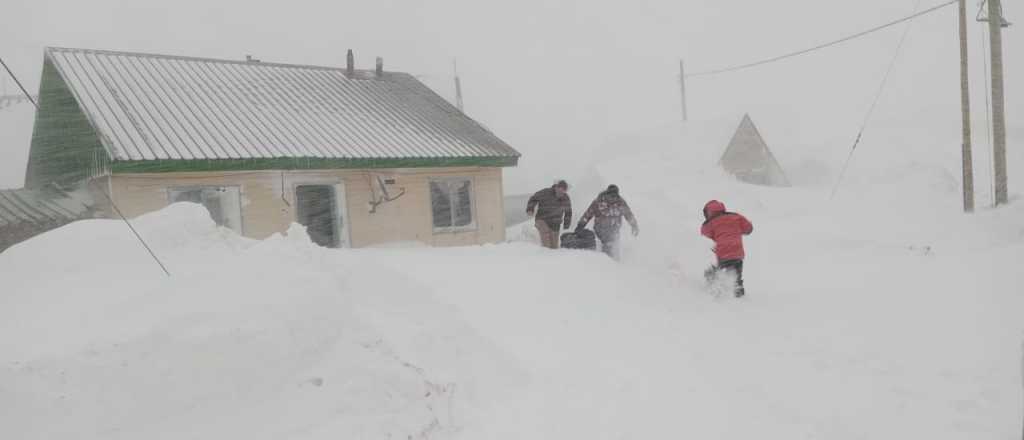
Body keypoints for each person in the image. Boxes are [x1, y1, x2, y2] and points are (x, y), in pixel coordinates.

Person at [700, 200, 753, 297]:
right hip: (738, 253)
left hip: (723, 254)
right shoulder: (735, 216)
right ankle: (739, 296)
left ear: (708, 212)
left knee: (719, 272)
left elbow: (703, 232)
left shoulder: (710, 222)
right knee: (737, 277)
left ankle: (715, 290)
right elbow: (749, 228)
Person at [576, 184, 638, 260]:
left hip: (614, 230)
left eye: (615, 195)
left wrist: (634, 225)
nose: (613, 197)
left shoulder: (620, 202)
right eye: (611, 195)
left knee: (614, 248)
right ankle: (604, 263)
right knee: (607, 246)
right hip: (600, 230)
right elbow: (588, 214)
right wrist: (580, 225)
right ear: (607, 194)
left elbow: (628, 214)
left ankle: (615, 263)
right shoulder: (598, 202)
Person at [526, 180, 572, 249]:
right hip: (542, 220)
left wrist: (566, 225)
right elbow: (533, 198)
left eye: (563, 191)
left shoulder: (566, 198)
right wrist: (530, 209)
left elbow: (568, 212)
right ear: (556, 187)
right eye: (560, 190)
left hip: (555, 225)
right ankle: (544, 255)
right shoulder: (545, 192)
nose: (561, 193)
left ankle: (551, 258)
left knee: (554, 248)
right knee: (547, 245)